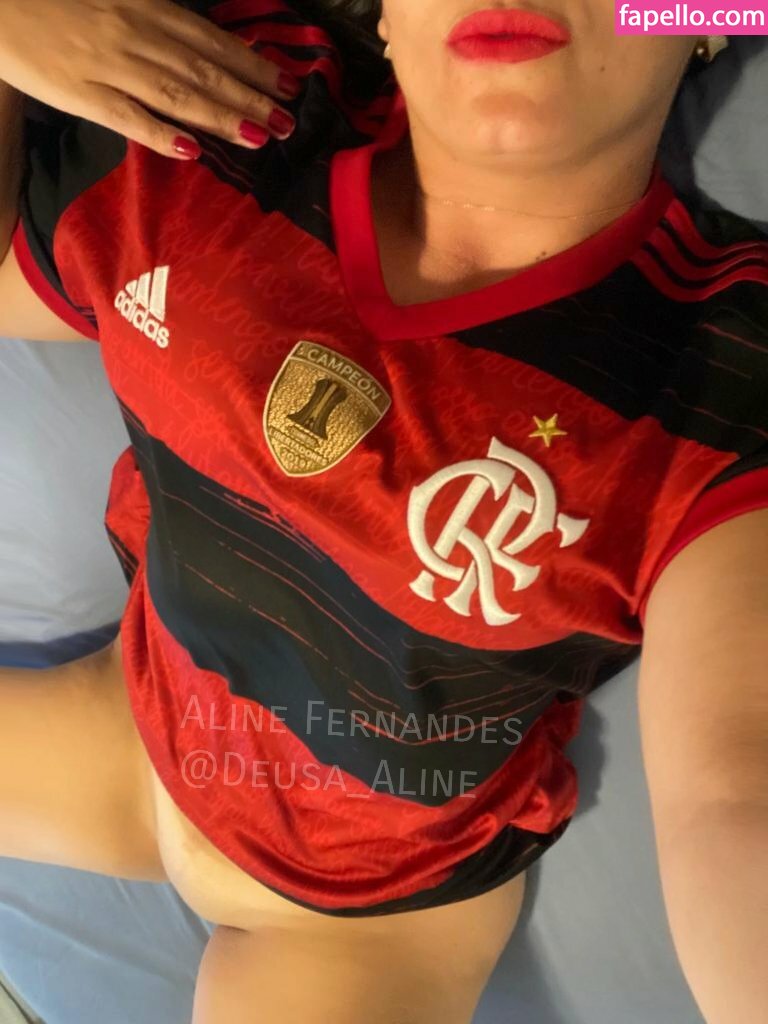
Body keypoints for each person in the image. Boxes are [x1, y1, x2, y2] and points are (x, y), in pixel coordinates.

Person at [1, 1, 767, 1021]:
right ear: (390, 19)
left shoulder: (721, 380)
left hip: (366, 918)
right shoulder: (214, 114)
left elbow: (737, 791)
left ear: (708, 20)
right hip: (128, 730)